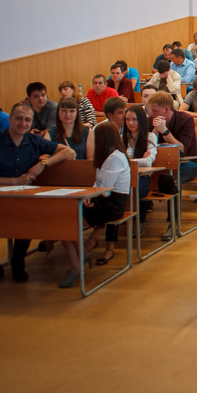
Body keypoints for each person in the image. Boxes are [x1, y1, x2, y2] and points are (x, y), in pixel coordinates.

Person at [0, 103, 74, 284]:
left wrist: (42, 164)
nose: (23, 123)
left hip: (23, 200)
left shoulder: (34, 141)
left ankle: (18, 261)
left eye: (27, 120)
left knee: (27, 214)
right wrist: (13, 182)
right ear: (10, 119)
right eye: (18, 119)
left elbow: (68, 151)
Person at [59, 122, 130, 288]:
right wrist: (90, 197)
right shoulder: (108, 156)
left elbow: (105, 190)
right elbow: (98, 183)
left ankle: (78, 264)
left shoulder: (115, 158)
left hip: (111, 206)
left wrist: (91, 198)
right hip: (104, 202)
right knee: (65, 222)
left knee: (66, 225)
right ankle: (81, 257)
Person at [147, 91, 197, 184]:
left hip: (184, 162)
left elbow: (182, 149)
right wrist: (156, 130)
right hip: (158, 162)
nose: (151, 114)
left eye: (155, 111)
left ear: (166, 109)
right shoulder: (150, 120)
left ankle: (170, 187)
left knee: (185, 169)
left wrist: (165, 131)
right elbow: (148, 147)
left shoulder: (186, 120)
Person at [122, 104, 156, 231]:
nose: (130, 123)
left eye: (134, 119)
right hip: (125, 176)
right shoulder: (123, 137)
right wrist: (138, 160)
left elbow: (147, 162)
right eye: (127, 119)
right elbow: (116, 161)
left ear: (141, 120)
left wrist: (127, 161)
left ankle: (139, 221)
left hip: (142, 177)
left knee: (134, 189)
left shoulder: (150, 137)